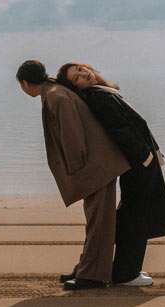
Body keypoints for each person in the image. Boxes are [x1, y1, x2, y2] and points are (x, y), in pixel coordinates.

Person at [56, 62, 165, 285]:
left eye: (82, 69)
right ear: (76, 88)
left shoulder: (102, 91)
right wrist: (145, 157)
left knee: (133, 214)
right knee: (136, 215)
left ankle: (119, 268)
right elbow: (118, 129)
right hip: (138, 163)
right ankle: (126, 273)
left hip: (139, 161)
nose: (84, 74)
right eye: (77, 78)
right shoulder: (97, 96)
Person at [15, 60, 131, 290]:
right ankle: (87, 269)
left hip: (97, 167)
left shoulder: (56, 96)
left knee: (100, 223)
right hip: (99, 164)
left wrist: (77, 172)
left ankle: (93, 277)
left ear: (25, 83)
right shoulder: (54, 91)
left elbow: (73, 136)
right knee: (97, 221)